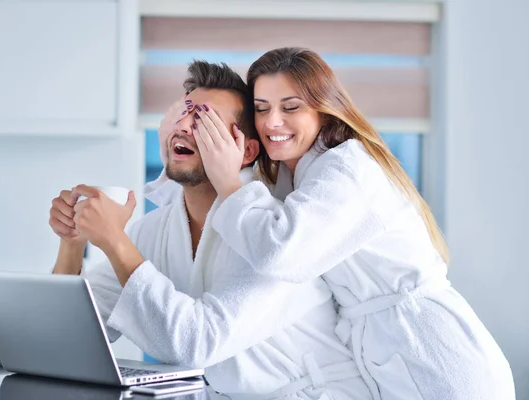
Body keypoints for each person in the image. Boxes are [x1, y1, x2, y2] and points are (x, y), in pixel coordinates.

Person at [184, 48, 515, 399]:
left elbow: (281, 254)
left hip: (440, 359)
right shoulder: (292, 178)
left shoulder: (347, 168)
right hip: (383, 356)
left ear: (323, 110)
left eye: (291, 107)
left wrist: (230, 185)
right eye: (262, 108)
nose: (272, 122)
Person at [50, 61, 373, 399]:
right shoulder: (155, 230)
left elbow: (195, 343)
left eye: (205, 121)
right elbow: (66, 338)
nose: (184, 126)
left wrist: (114, 241)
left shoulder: (271, 236)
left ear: (246, 150)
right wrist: (72, 243)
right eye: (183, 113)